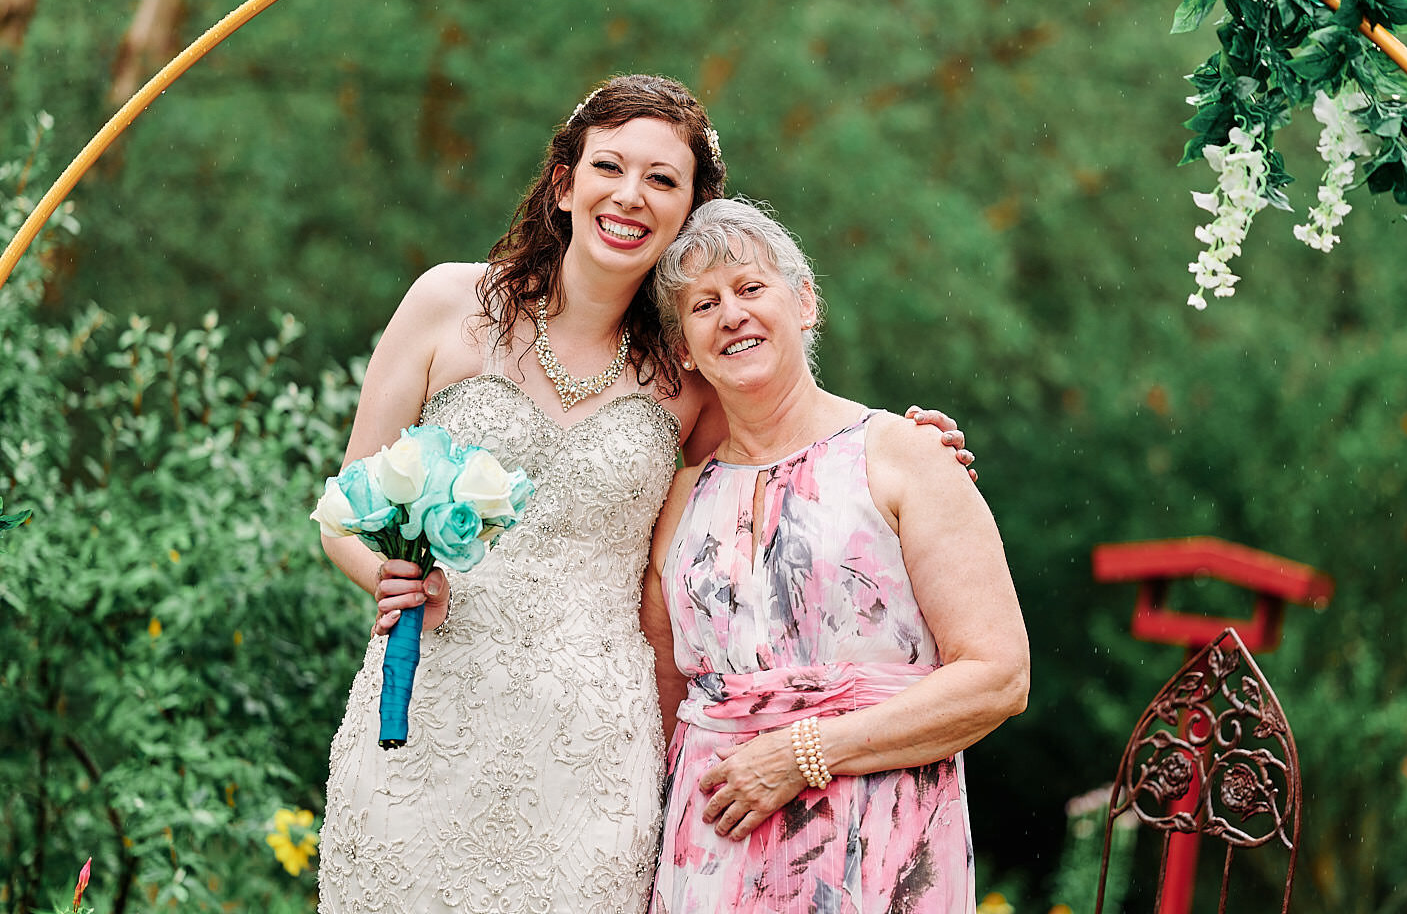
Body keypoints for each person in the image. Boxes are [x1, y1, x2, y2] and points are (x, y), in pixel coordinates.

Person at [315, 75, 973, 913]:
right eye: (610, 168)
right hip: (425, 715)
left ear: (690, 208)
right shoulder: (448, 303)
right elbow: (346, 505)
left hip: (594, 744)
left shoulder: (689, 374)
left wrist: (908, 444)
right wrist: (383, 574)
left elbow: (786, 460)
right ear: (565, 183)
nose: (630, 195)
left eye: (662, 179)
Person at [642, 197, 1029, 912]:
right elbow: (662, 703)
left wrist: (803, 754)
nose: (732, 314)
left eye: (751, 288)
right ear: (683, 349)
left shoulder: (905, 457)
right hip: (713, 858)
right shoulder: (678, 503)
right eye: (704, 305)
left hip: (878, 842)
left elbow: (999, 678)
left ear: (806, 302)